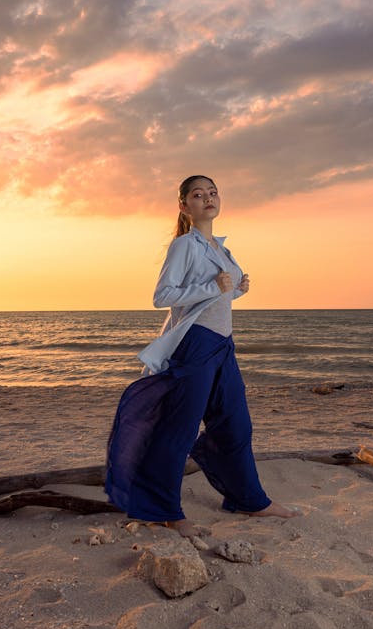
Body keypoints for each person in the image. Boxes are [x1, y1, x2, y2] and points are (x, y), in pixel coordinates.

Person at [105, 175, 301, 537]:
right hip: (195, 344)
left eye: (212, 192)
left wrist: (237, 290)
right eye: (198, 194)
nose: (208, 198)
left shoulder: (221, 248)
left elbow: (216, 298)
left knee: (236, 425)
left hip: (223, 344)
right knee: (179, 429)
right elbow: (162, 296)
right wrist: (213, 285)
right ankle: (164, 510)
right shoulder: (184, 245)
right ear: (184, 206)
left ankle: (249, 499)